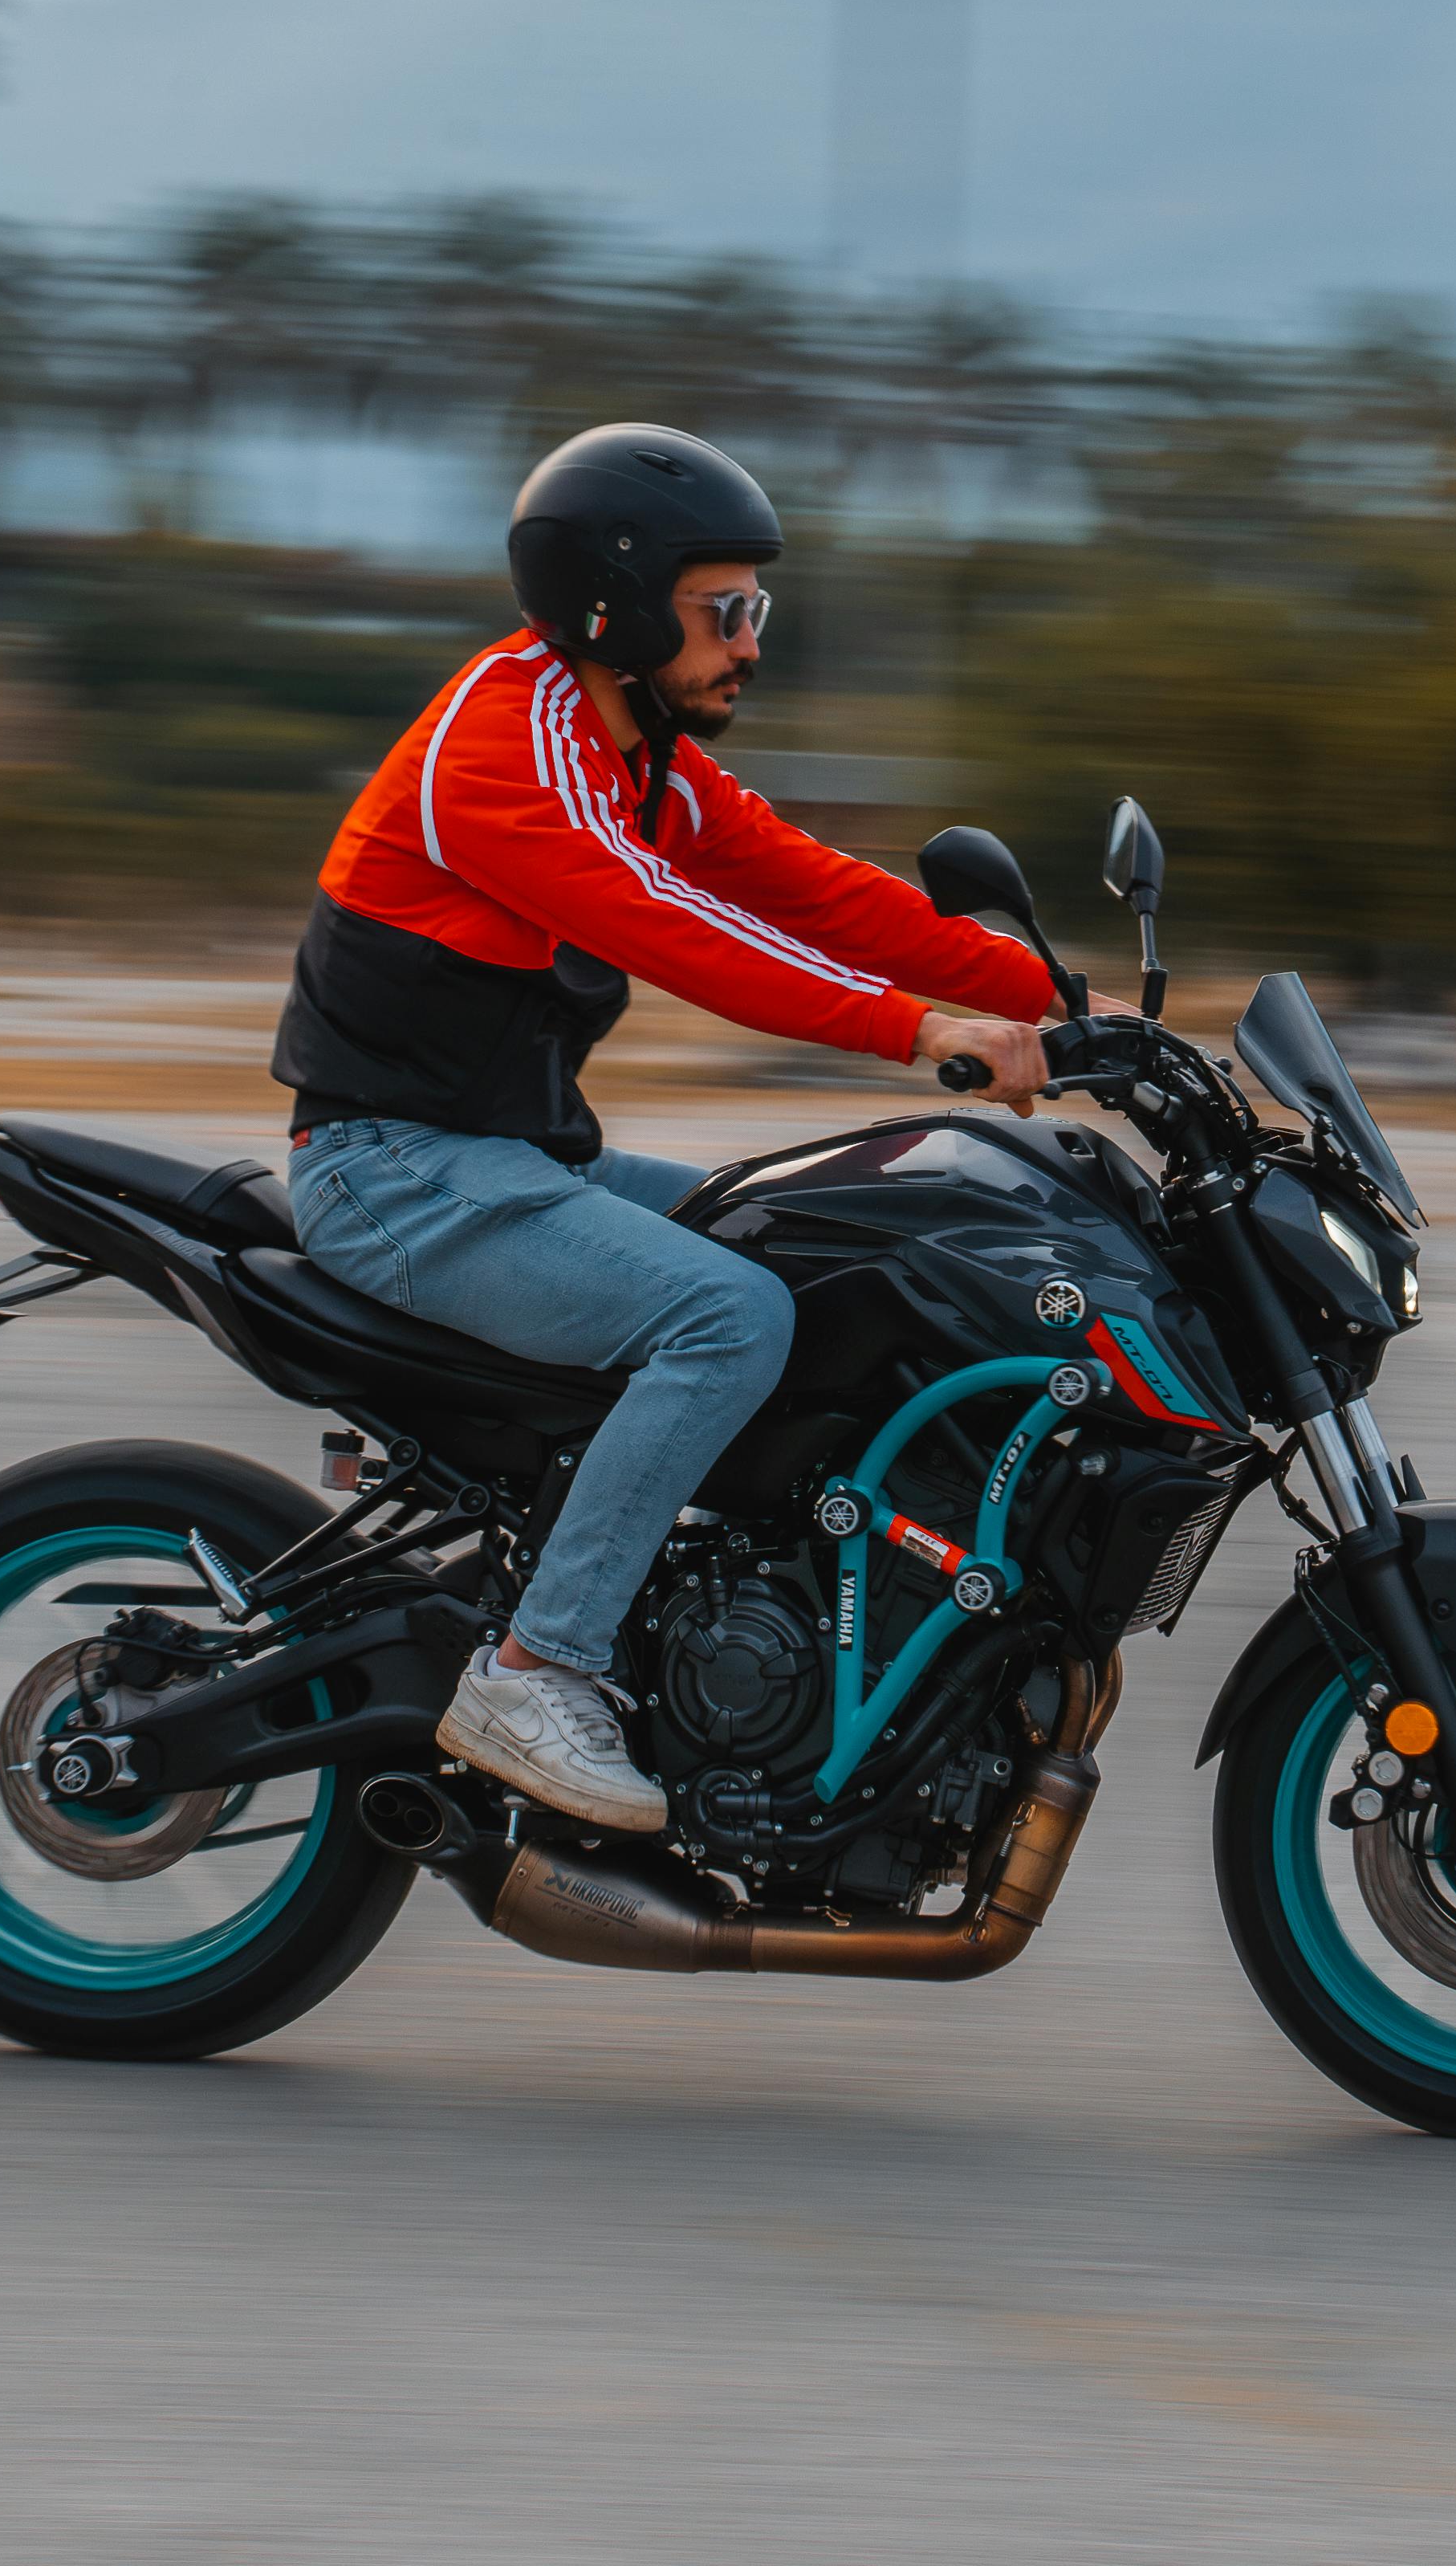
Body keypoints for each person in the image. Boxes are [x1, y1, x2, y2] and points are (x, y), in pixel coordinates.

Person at [275, 422, 1059, 1833]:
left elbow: (814, 887)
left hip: (505, 1164)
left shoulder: (628, 746)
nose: (751, 642)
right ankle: (538, 1670)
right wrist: (919, 1028)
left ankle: (736, 1635)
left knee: (816, 1254)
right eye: (725, 611)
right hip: (395, 1176)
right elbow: (686, 930)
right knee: (728, 1318)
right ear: (618, 601)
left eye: (758, 608)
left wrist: (1066, 1001)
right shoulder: (506, 749)